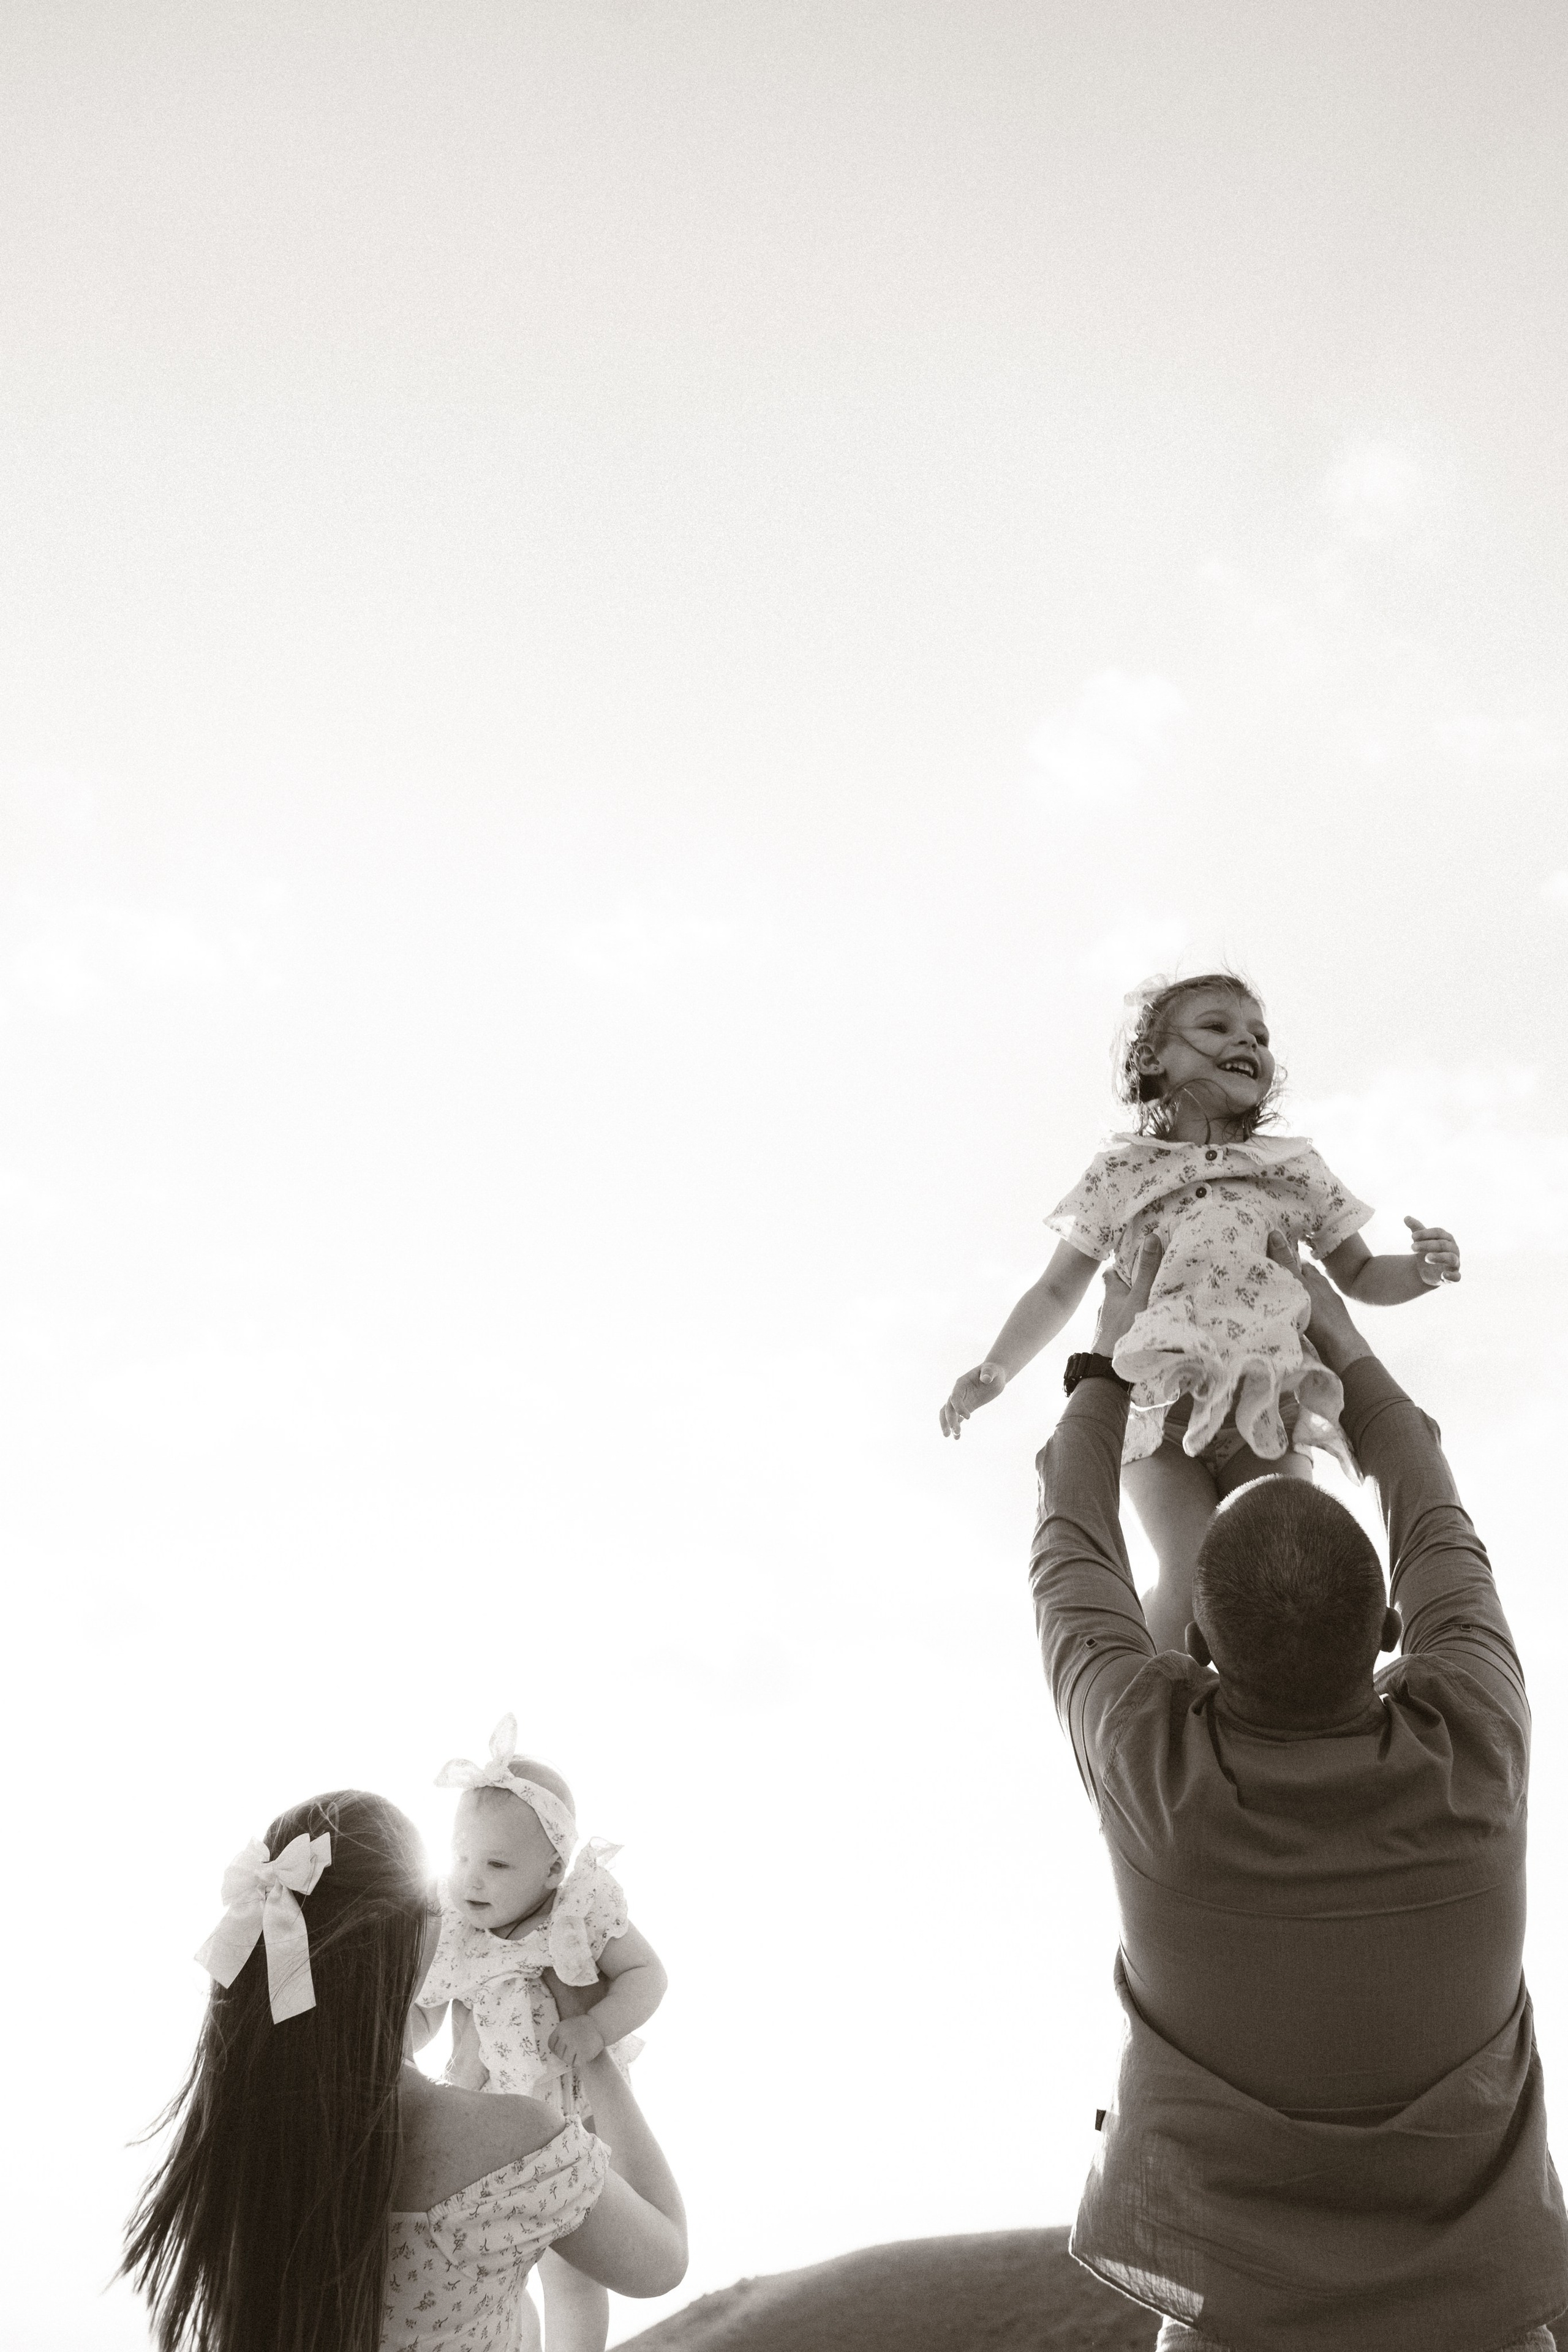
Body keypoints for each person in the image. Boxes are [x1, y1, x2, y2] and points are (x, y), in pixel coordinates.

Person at [1029, 1233, 1567, 2351]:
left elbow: (1070, 1546)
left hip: (1234, 2325)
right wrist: (1344, 1339)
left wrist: (1107, 1360)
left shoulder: (1150, 1765)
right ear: (1389, 1628)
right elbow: (1430, 1505)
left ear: (1196, 1643)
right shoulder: (1479, 1736)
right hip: (1484, 2321)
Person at [941, 971, 1461, 1646]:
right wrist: (996, 1368)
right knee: (1190, 1574)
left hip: (1267, 1403)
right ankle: (1153, 1686)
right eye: (1218, 1026)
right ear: (1151, 1058)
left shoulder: (1290, 1167)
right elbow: (1057, 1288)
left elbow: (1357, 1273)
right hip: (1158, 1410)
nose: (1248, 1042)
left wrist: (1420, 1271)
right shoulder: (1123, 1172)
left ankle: (1288, 1693)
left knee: (1281, 1570)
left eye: (1259, 1036)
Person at [121, 1788, 686, 2352]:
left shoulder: (236, 2152)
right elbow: (665, 2259)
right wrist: (593, 2045)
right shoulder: (517, 2142)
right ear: (412, 1937)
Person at [411, 1716, 669, 2352]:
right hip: (491, 2117)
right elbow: (425, 2013)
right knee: (494, 2262)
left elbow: (647, 1975)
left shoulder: (577, 1914)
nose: (471, 1878)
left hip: (576, 2112)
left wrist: (595, 2026)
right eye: (461, 1857)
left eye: (497, 1864)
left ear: (553, 1870)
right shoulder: (456, 1931)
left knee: (573, 2268)